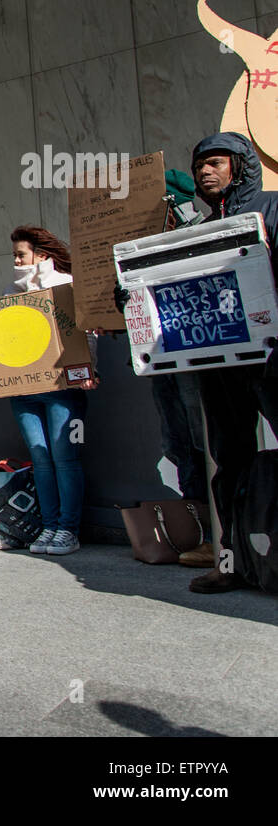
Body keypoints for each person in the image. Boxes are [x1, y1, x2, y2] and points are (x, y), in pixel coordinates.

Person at [0, 227, 100, 556]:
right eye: (15, 255)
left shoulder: (65, 285)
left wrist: (89, 369)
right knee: (41, 460)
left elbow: (84, 333)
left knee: (65, 458)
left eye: (21, 254)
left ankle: (67, 530)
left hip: (63, 389)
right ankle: (48, 526)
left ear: (41, 254)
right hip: (24, 392)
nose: (16, 260)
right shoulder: (9, 293)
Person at [184, 132, 278, 593]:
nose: (205, 171)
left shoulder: (273, 207)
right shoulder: (196, 230)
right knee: (229, 465)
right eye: (200, 165)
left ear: (240, 166)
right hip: (220, 367)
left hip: (274, 357)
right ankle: (233, 563)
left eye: (216, 163)